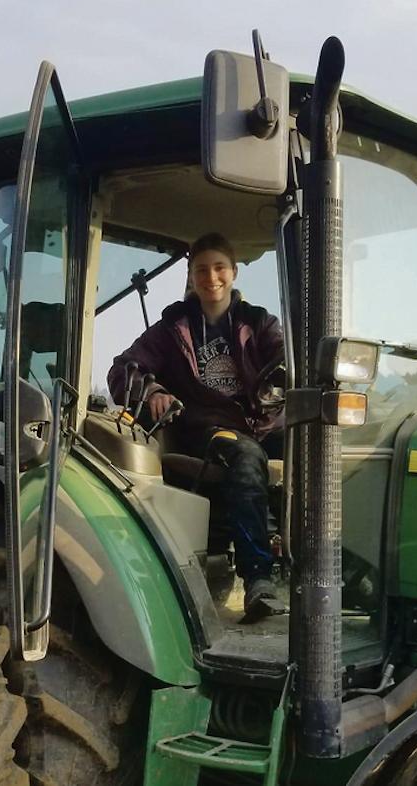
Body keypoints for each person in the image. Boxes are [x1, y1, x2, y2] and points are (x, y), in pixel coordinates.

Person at [108, 232, 285, 620]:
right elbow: (123, 368)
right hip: (211, 429)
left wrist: (289, 380)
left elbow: (286, 362)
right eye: (201, 270)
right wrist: (152, 389)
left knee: (326, 444)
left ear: (234, 272)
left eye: (219, 268)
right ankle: (258, 579)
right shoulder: (172, 330)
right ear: (191, 276)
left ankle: (336, 568)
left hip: (263, 423)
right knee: (245, 455)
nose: (212, 277)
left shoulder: (259, 322)